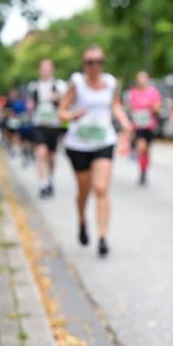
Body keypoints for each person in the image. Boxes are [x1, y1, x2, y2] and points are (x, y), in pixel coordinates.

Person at [57, 44, 134, 257]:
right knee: (84, 190)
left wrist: (125, 122)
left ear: (103, 63)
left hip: (103, 140)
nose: (94, 66)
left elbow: (115, 106)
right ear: (84, 65)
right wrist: (73, 116)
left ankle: (102, 237)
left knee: (101, 188)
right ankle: (82, 220)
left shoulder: (110, 83)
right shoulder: (77, 83)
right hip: (78, 144)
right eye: (89, 62)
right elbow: (61, 111)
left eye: (98, 61)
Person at [27, 59, 68, 198]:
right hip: (39, 124)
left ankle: (50, 178)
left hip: (54, 125)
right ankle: (43, 183)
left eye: (48, 69)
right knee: (41, 153)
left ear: (52, 70)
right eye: (43, 69)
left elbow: (66, 103)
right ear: (39, 70)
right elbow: (31, 104)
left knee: (51, 157)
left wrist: (57, 99)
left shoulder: (60, 86)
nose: (45, 71)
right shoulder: (34, 86)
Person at [125, 70, 162, 185]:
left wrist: (151, 106)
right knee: (141, 146)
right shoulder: (133, 92)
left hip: (149, 125)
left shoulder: (153, 92)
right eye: (140, 79)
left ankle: (144, 171)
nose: (142, 81)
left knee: (146, 150)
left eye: (144, 79)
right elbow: (130, 107)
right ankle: (138, 159)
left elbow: (158, 107)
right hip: (138, 125)